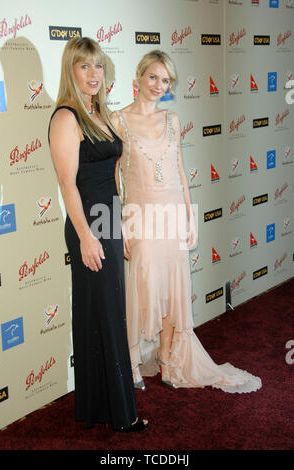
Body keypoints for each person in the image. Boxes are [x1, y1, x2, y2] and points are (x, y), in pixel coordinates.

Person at [110, 50, 262, 393]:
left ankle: (165, 360)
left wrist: (190, 216)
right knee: (143, 293)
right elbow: (113, 177)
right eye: (153, 77)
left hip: (173, 214)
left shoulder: (173, 119)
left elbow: (179, 170)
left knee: (174, 293)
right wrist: (120, 224)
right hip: (141, 217)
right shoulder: (118, 120)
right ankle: (132, 361)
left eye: (165, 81)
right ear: (138, 77)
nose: (158, 86)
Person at [48, 37, 148, 431]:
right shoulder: (66, 117)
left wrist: (118, 227)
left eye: (99, 66)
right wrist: (88, 237)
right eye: (85, 66)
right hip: (86, 223)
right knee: (103, 313)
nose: (94, 74)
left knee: (103, 312)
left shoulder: (100, 113)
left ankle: (95, 406)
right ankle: (122, 414)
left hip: (107, 219)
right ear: (71, 70)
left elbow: (112, 177)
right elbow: (67, 184)